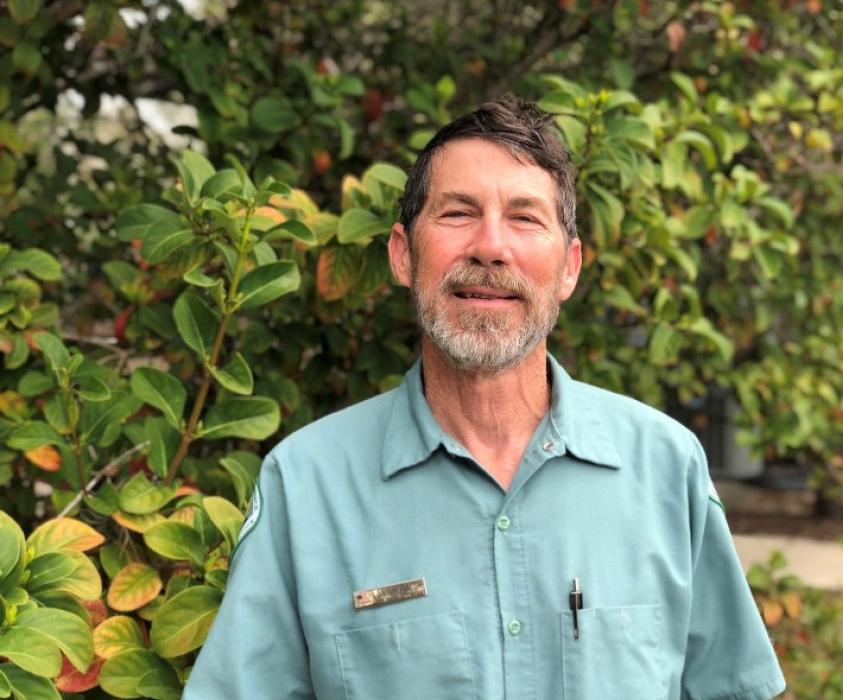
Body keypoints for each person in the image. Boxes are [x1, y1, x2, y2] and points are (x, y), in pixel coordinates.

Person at [184, 97, 785, 700]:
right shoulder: (307, 484)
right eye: (457, 213)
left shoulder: (665, 466)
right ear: (402, 254)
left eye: (525, 218)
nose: (490, 246)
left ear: (569, 268)